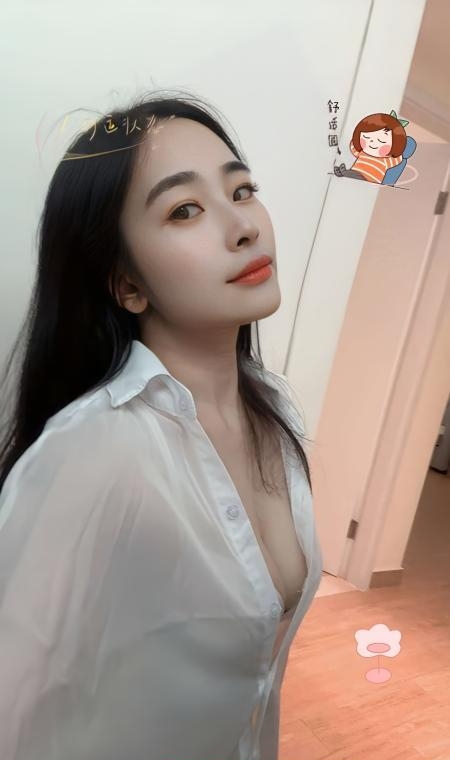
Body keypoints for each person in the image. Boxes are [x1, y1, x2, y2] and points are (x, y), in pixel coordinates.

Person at [0, 89, 323, 760]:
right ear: (127, 285)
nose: (244, 227)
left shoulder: (276, 408)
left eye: (241, 190)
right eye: (185, 210)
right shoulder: (91, 456)